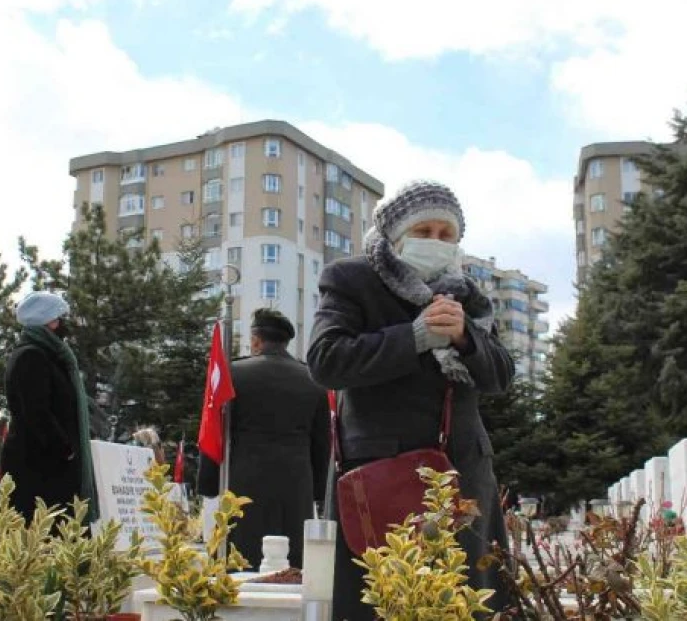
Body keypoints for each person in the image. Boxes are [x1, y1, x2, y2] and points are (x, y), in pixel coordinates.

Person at [307, 180, 514, 619]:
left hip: (462, 470)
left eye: (447, 235)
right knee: (383, 598)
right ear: (395, 235)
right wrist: (415, 337)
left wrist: (464, 338)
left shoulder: (467, 297)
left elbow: (500, 375)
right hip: (382, 473)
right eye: (424, 232)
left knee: (466, 599)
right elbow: (326, 361)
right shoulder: (351, 279)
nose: (436, 243)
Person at [198, 308, 330, 570]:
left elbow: (215, 428)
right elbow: (322, 442)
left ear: (256, 340)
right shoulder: (313, 380)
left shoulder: (232, 374)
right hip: (295, 484)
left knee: (241, 559)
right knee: (291, 564)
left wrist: (209, 483)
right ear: (286, 341)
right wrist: (319, 493)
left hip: (245, 481)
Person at [0, 291, 98, 525]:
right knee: (43, 537)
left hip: (53, 468)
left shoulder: (50, 357)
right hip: (39, 468)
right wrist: (66, 448)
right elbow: (36, 413)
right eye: (60, 318)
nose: (64, 324)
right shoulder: (31, 357)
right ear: (48, 322)